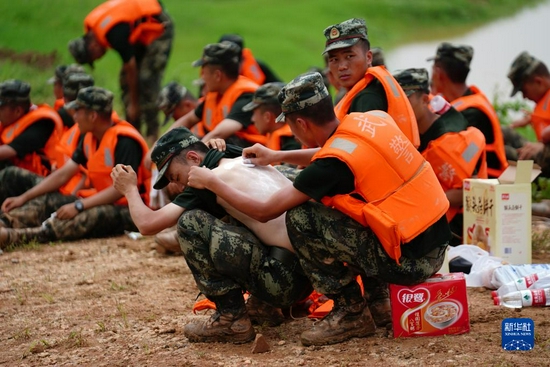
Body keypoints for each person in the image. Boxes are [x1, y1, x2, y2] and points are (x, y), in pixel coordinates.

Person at [186, 72, 451, 346]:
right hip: (435, 244)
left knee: (301, 216)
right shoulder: (371, 119)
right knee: (358, 208)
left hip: (411, 264)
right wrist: (278, 156)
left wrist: (212, 181)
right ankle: (379, 301)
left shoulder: (329, 167)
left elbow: (266, 211)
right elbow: (334, 149)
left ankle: (351, 312)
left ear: (300, 123)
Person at [110, 127, 312, 343]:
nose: (179, 186)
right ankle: (265, 306)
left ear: (193, 157)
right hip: (309, 276)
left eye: (175, 176)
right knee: (234, 213)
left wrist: (130, 190)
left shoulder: (204, 181)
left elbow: (147, 225)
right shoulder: (238, 154)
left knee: (190, 223)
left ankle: (231, 318)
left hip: (282, 284)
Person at [0, 86, 150, 249]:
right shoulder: (89, 137)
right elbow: (64, 174)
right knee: (47, 201)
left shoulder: (125, 141)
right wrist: (24, 197)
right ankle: (6, 222)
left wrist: (79, 206)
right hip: (99, 200)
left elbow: (120, 190)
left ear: (92, 116)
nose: (74, 116)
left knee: (86, 216)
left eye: (78, 111)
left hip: (131, 209)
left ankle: (13, 237)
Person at [394, 68, 487, 246]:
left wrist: (422, 203)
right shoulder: (411, 133)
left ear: (424, 99)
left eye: (407, 100)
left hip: (459, 227)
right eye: (397, 101)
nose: (401, 107)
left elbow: (470, 189)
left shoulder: (447, 137)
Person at [68, 0, 173, 143]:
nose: (99, 58)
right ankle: (133, 127)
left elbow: (131, 67)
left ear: (92, 46)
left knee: (146, 79)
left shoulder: (114, 34)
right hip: (139, 31)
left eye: (95, 58)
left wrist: (134, 104)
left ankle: (152, 133)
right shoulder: (97, 28)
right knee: (126, 80)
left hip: (158, 27)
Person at [324, 18, 419, 148]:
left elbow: (358, 154)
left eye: (349, 56)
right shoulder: (361, 91)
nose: (342, 66)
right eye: (334, 59)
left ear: (368, 57)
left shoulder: (367, 98)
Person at [428, 42, 508, 178]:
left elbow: (455, 158)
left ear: (438, 73)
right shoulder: (470, 98)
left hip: (486, 184)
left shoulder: (471, 113)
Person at [171, 41, 266, 147]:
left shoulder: (246, 96)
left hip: (254, 158)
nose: (203, 78)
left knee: (225, 142)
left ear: (217, 75)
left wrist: (195, 156)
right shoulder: (216, 95)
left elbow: (219, 134)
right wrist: (160, 144)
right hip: (235, 157)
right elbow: (188, 119)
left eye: (204, 73)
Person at [0, 79, 63, 176]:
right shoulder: (13, 120)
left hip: (47, 180)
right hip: (27, 175)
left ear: (18, 111)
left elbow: (8, 151)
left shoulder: (41, 124)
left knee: (9, 174)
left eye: (1, 109)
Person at [507, 52, 550, 163]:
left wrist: (543, 144)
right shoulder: (543, 100)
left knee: (506, 153)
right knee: (504, 133)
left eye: (523, 91)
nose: (524, 97)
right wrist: (530, 119)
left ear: (538, 82)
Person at [242, 82, 301, 152]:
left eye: (254, 113)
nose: (252, 119)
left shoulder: (292, 142)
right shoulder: (279, 137)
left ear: (267, 117)